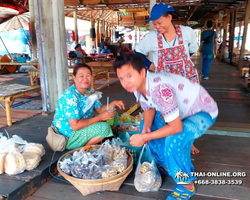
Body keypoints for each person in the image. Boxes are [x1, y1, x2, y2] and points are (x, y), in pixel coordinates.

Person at [113, 53, 218, 200]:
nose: (125, 82)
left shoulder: (160, 89)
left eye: (129, 76)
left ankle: (186, 184)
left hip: (202, 113)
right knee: (145, 124)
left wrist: (144, 137)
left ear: (142, 72)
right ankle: (167, 164)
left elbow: (176, 128)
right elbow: (148, 108)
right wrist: (146, 129)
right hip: (182, 113)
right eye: (121, 78)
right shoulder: (138, 86)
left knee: (174, 140)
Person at [134, 3, 200, 154]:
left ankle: (189, 143)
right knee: (169, 113)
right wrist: (150, 65)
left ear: (169, 18)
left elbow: (192, 50)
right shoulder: (151, 38)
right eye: (154, 24)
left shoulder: (187, 32)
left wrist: (182, 64)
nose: (157, 26)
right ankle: (173, 143)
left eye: (159, 22)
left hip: (186, 80)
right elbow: (137, 52)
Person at [52, 63, 125, 150]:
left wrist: (113, 104)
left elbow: (100, 110)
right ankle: (82, 150)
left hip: (80, 127)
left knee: (113, 114)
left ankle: (113, 138)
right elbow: (75, 125)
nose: (85, 79)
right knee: (103, 128)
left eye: (88, 75)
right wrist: (101, 117)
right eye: (81, 76)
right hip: (69, 136)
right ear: (74, 78)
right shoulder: (70, 96)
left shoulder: (89, 92)